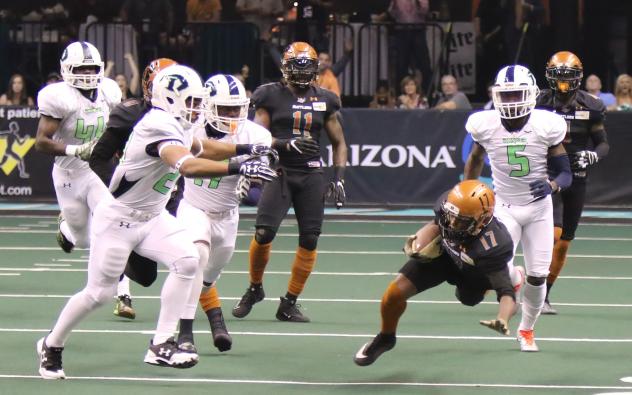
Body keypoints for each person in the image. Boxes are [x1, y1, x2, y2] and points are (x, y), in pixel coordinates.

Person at [36, 65, 278, 379]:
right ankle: (51, 344)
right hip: (119, 220)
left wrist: (247, 149)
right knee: (99, 294)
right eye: (191, 101)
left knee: (189, 261)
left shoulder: (180, 121)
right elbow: (189, 165)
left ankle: (161, 342)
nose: (197, 107)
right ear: (171, 99)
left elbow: (203, 147)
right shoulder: (158, 125)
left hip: (152, 216)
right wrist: (237, 168)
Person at [231, 42, 348, 323]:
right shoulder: (270, 95)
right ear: (285, 67)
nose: (303, 71)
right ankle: (255, 288)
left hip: (311, 176)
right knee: (263, 233)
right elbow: (256, 137)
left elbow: (339, 142)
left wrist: (340, 178)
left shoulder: (327, 99)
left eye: (308, 66)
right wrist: (285, 144)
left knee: (309, 238)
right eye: (298, 65)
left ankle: (289, 302)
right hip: (280, 172)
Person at [354, 180, 524, 366]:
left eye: (460, 221)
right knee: (393, 295)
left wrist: (502, 318)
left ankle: (516, 276)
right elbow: (437, 224)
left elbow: (505, 292)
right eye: (450, 216)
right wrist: (418, 243)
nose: (451, 223)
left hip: (475, 274)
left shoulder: (494, 245)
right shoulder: (448, 208)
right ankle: (386, 338)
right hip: (444, 258)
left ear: (482, 220)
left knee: (467, 299)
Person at [464, 65, 572, 352]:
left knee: (539, 276)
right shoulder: (485, 124)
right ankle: (515, 281)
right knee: (496, 266)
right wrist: (467, 191)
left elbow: (565, 173)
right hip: (504, 206)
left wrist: (552, 186)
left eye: (517, 95)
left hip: (538, 209)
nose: (512, 101)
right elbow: (474, 159)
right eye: (507, 95)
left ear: (530, 94)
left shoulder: (545, 124)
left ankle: (526, 330)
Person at [176, 74, 273, 353]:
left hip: (228, 216)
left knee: (208, 278)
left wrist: (253, 180)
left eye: (235, 108)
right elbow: (198, 156)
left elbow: (264, 174)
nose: (232, 115)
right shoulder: (190, 128)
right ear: (207, 106)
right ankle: (184, 333)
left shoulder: (255, 134)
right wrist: (240, 168)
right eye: (224, 108)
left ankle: (216, 321)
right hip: (194, 207)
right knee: (196, 259)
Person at [90, 58, 178, 320]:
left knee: (183, 259)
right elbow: (99, 157)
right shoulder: (130, 113)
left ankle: (181, 324)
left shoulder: (189, 117)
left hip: (166, 196)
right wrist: (118, 190)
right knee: (135, 279)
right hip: (133, 201)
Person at [537, 52, 609, 315]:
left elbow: (603, 143)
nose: (564, 83)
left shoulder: (591, 106)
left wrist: (593, 155)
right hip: (549, 173)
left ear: (578, 78)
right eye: (559, 77)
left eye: (568, 77)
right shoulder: (538, 102)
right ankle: (531, 284)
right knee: (553, 234)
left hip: (577, 176)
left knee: (565, 241)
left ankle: (544, 293)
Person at [35, 41, 121, 258]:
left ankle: (122, 287)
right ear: (67, 69)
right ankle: (66, 226)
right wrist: (76, 150)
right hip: (68, 173)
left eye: (91, 68)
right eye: (81, 69)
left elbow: (117, 127)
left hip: (97, 168)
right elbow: (41, 142)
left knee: (113, 221)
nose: (87, 74)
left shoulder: (108, 91)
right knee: (83, 241)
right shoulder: (60, 97)